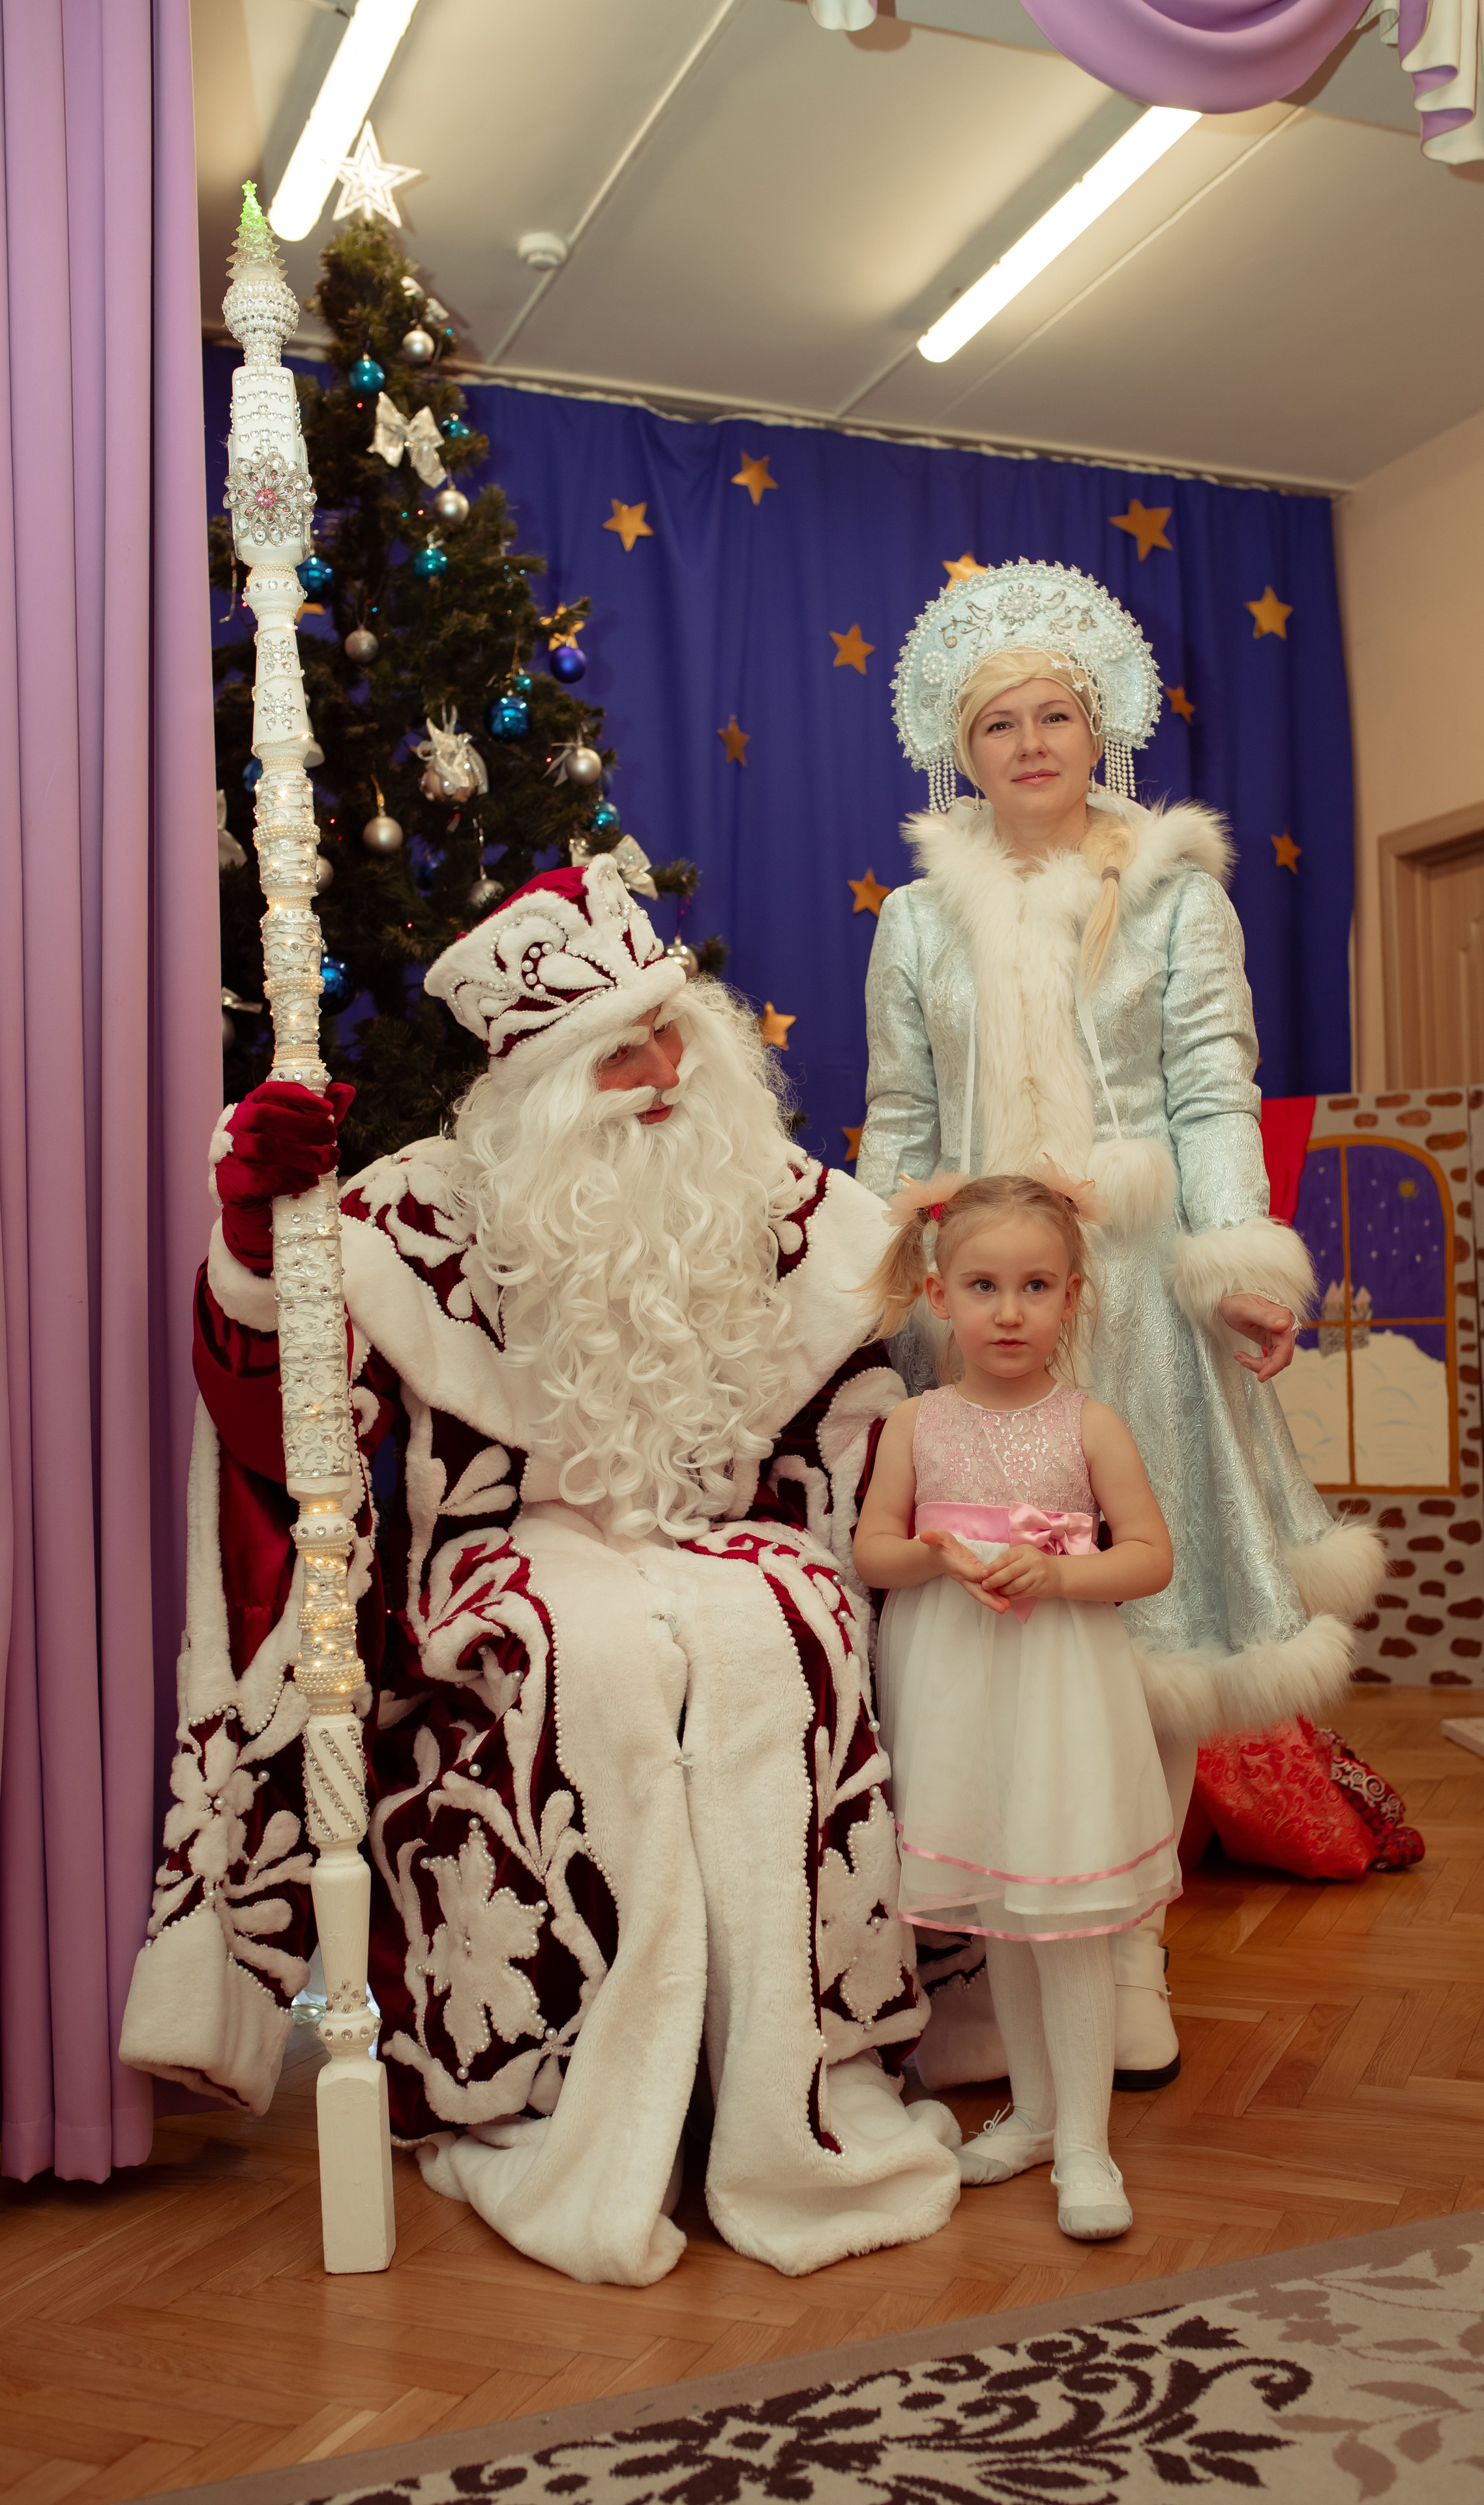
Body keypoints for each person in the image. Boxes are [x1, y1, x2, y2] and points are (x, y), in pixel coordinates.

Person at [121, 856, 961, 2288]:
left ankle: (789, 2078)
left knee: (787, 1626)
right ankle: (558, 2080)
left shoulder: (772, 1196)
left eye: (673, 1035)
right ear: (537, 1085)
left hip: (728, 1530)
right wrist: (264, 1241)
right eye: (617, 1052)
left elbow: (859, 1401)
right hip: (513, 1545)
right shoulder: (429, 1212)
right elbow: (286, 1423)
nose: (659, 1075)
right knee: (590, 1660)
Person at [859, 561, 1383, 2090]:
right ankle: (977, 1953)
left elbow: (1215, 1090)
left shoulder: (1171, 893)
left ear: (1101, 729)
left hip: (1135, 1300)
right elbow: (897, 1111)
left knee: (1135, 1639)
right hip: (969, 1306)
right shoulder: (913, 920)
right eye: (999, 723)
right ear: (960, 748)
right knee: (975, 1621)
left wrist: (1236, 1263)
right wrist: (887, 1252)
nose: (1030, 743)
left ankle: (1129, 1946)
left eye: (1056, 716)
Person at [853, 1169, 1179, 2242]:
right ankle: (1036, 2113)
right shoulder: (917, 1424)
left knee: (1067, 1913)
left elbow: (1149, 1558)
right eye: (984, 1285)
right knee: (1004, 1903)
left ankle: (1086, 2144)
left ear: (1074, 1297)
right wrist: (937, 1558)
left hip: (1059, 1695)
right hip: (957, 1691)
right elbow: (874, 1550)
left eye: (1035, 1285)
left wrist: (1058, 1574)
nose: (1009, 1309)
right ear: (939, 1294)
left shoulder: (1090, 1423)